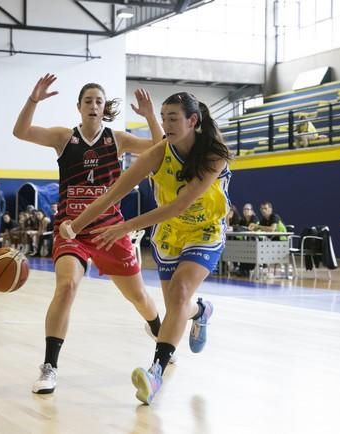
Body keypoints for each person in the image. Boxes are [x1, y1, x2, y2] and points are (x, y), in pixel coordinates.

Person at [60, 91, 232, 405]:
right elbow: (112, 194)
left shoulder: (213, 154)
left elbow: (179, 205)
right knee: (177, 306)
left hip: (204, 231)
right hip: (169, 233)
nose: (166, 124)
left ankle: (155, 374)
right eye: (162, 118)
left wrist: (125, 226)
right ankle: (201, 310)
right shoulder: (157, 153)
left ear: (193, 121)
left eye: (173, 118)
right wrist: (76, 225)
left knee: (179, 292)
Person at [13, 74, 165, 395]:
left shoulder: (117, 140)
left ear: (103, 107)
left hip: (110, 229)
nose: (93, 105)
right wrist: (34, 100)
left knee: (138, 297)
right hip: (72, 228)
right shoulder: (63, 138)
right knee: (66, 286)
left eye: (98, 101)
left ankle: (160, 331)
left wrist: (151, 116)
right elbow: (21, 131)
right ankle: (49, 366)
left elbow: (160, 148)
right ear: (79, 108)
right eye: (88, 101)